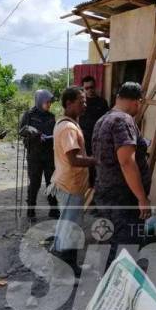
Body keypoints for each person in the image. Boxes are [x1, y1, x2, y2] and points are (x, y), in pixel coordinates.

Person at [92, 82, 151, 265]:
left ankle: (109, 289)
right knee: (126, 252)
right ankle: (120, 291)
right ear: (137, 102)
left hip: (106, 194)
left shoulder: (103, 119)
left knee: (112, 247)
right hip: (123, 199)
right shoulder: (123, 120)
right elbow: (126, 162)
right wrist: (141, 198)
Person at [51, 86, 95, 275]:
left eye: (85, 101)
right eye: (81, 102)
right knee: (70, 229)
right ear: (69, 103)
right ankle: (66, 271)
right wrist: (97, 160)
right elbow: (74, 160)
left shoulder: (67, 123)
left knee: (67, 226)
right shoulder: (68, 128)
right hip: (70, 185)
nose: (84, 105)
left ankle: (62, 261)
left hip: (69, 184)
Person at [19, 89, 59, 223]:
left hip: (49, 154)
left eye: (50, 103)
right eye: (47, 102)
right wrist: (33, 131)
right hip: (34, 155)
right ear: (40, 101)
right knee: (34, 184)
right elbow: (21, 130)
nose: (49, 105)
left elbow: (55, 131)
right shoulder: (29, 115)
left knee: (51, 183)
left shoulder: (51, 116)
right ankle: (31, 211)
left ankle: (54, 209)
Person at [78, 75, 109, 186]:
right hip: (83, 140)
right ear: (83, 88)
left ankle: (95, 193)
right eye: (86, 88)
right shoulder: (80, 104)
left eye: (91, 87)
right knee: (85, 168)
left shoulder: (102, 102)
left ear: (95, 87)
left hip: (98, 141)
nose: (89, 90)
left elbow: (107, 121)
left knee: (98, 168)